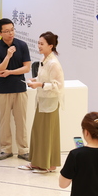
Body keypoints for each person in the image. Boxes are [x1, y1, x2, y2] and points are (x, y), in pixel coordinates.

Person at [18, 31, 64, 173]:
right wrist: (35, 80)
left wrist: (39, 84)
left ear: (50, 46)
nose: (39, 46)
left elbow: (58, 86)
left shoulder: (54, 63)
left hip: (50, 103)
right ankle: (36, 162)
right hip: (42, 101)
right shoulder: (44, 60)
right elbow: (43, 78)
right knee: (38, 132)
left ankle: (47, 165)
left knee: (47, 134)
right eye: (38, 43)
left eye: (42, 44)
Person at [0, 18, 31, 161]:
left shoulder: (22, 45)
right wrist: (8, 56)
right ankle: (6, 149)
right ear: (0, 33)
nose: (10, 33)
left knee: (21, 121)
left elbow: (27, 68)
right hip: (4, 89)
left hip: (20, 87)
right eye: (6, 31)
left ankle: (23, 150)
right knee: (4, 121)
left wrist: (10, 72)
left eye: (12, 30)